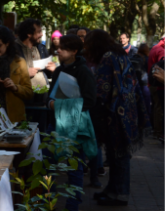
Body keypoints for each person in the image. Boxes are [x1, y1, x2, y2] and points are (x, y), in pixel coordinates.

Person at [84, 30, 150, 206]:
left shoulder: (107, 57)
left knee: (119, 155)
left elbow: (103, 89)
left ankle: (120, 194)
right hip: (127, 111)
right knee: (116, 155)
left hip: (116, 114)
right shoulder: (118, 54)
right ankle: (112, 191)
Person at [47, 35, 96, 211]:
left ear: (75, 51)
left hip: (74, 129)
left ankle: (72, 207)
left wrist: (59, 106)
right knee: (49, 167)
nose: (58, 50)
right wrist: (50, 104)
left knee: (74, 172)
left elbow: (90, 101)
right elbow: (50, 97)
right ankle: (49, 204)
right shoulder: (59, 70)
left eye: (64, 48)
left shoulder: (83, 71)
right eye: (58, 47)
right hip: (55, 126)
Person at [14, 19, 55, 103]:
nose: (41, 34)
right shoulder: (13, 49)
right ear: (29, 34)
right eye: (39, 32)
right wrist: (25, 74)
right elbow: (6, 73)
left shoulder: (41, 48)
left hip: (42, 98)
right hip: (23, 99)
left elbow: (48, 73)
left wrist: (53, 69)